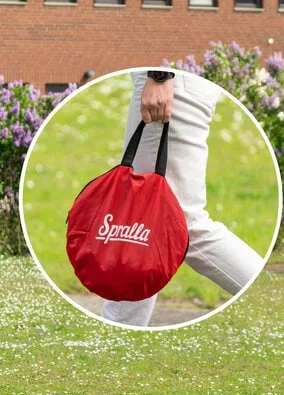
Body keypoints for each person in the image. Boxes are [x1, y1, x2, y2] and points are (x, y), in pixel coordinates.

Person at [102, 69, 265, 327]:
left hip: (172, 83)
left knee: (177, 223)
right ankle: (117, 332)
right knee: (145, 223)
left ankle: (276, 298)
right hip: (178, 83)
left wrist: (159, 77)